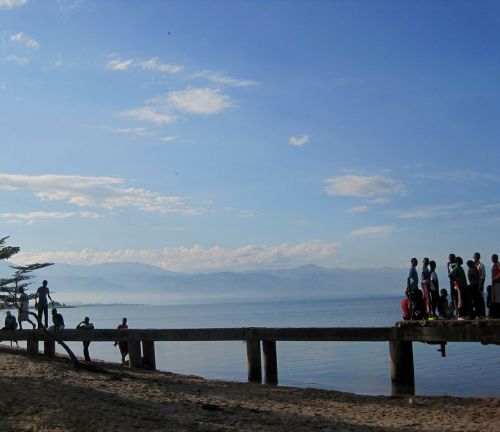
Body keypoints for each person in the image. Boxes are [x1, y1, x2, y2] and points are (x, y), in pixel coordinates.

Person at [489, 254, 500, 318]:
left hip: (497, 283)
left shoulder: (498, 264)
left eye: (493, 258)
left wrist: (495, 278)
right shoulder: (494, 265)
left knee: (497, 299)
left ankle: (497, 314)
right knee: (495, 299)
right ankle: (495, 313)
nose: (492, 259)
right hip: (495, 283)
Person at [447, 254, 457, 318]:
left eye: (451, 258)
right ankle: (451, 312)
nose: (450, 259)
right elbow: (449, 273)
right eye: (449, 258)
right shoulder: (449, 264)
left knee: (455, 297)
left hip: (455, 282)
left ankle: (454, 312)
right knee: (453, 297)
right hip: (452, 282)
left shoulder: (455, 265)